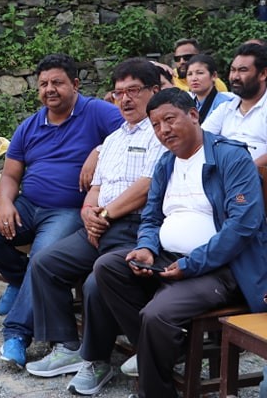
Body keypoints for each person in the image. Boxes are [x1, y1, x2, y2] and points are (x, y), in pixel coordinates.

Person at [89, 88, 267, 398]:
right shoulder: (166, 163)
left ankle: (155, 386)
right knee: (107, 267)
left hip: (221, 267)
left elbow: (243, 225)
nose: (163, 130)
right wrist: (146, 247)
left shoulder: (229, 157)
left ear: (194, 115)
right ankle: (169, 347)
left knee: (157, 315)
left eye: (170, 119)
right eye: (156, 125)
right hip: (170, 257)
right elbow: (151, 217)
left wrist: (191, 264)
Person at [22, 58, 165, 390]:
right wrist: (89, 212)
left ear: (154, 92)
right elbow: (96, 187)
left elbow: (147, 187)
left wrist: (105, 214)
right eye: (118, 93)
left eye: (133, 91)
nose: (125, 99)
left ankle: (97, 361)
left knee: (95, 283)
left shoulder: (160, 132)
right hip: (102, 224)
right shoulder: (112, 139)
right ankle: (67, 346)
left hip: (134, 227)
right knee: (45, 263)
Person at [0, 54, 123, 357]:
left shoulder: (97, 112)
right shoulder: (30, 126)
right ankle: (19, 279)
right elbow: (10, 175)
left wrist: (99, 149)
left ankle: (16, 333)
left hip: (68, 211)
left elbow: (134, 129)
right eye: (43, 84)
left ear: (75, 84)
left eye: (57, 82)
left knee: (43, 256)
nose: (49, 89)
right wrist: (5, 203)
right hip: (29, 205)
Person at [202, 43, 267, 166]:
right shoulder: (225, 108)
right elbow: (201, 139)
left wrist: (245, 170)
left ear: (263, 74)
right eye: (233, 70)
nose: (235, 77)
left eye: (243, 70)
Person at [186, 54, 233, 123]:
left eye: (200, 73)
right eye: (190, 74)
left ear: (214, 76)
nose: (194, 78)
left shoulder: (225, 103)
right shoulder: (187, 105)